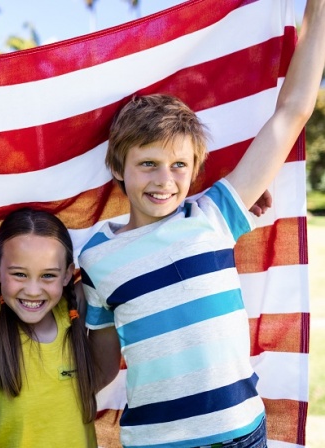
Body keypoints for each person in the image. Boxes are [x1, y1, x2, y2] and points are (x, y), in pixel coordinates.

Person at [78, 1, 325, 446]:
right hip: (156, 440)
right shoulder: (95, 256)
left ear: (195, 171)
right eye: (148, 163)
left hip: (241, 433)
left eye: (178, 165)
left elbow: (291, 112)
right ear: (118, 167)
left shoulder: (212, 215)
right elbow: (100, 365)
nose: (164, 180)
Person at [0, 207, 99, 448]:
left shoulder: (75, 311)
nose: (33, 290)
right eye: (19, 274)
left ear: (68, 274)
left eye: (48, 275)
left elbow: (116, 264)